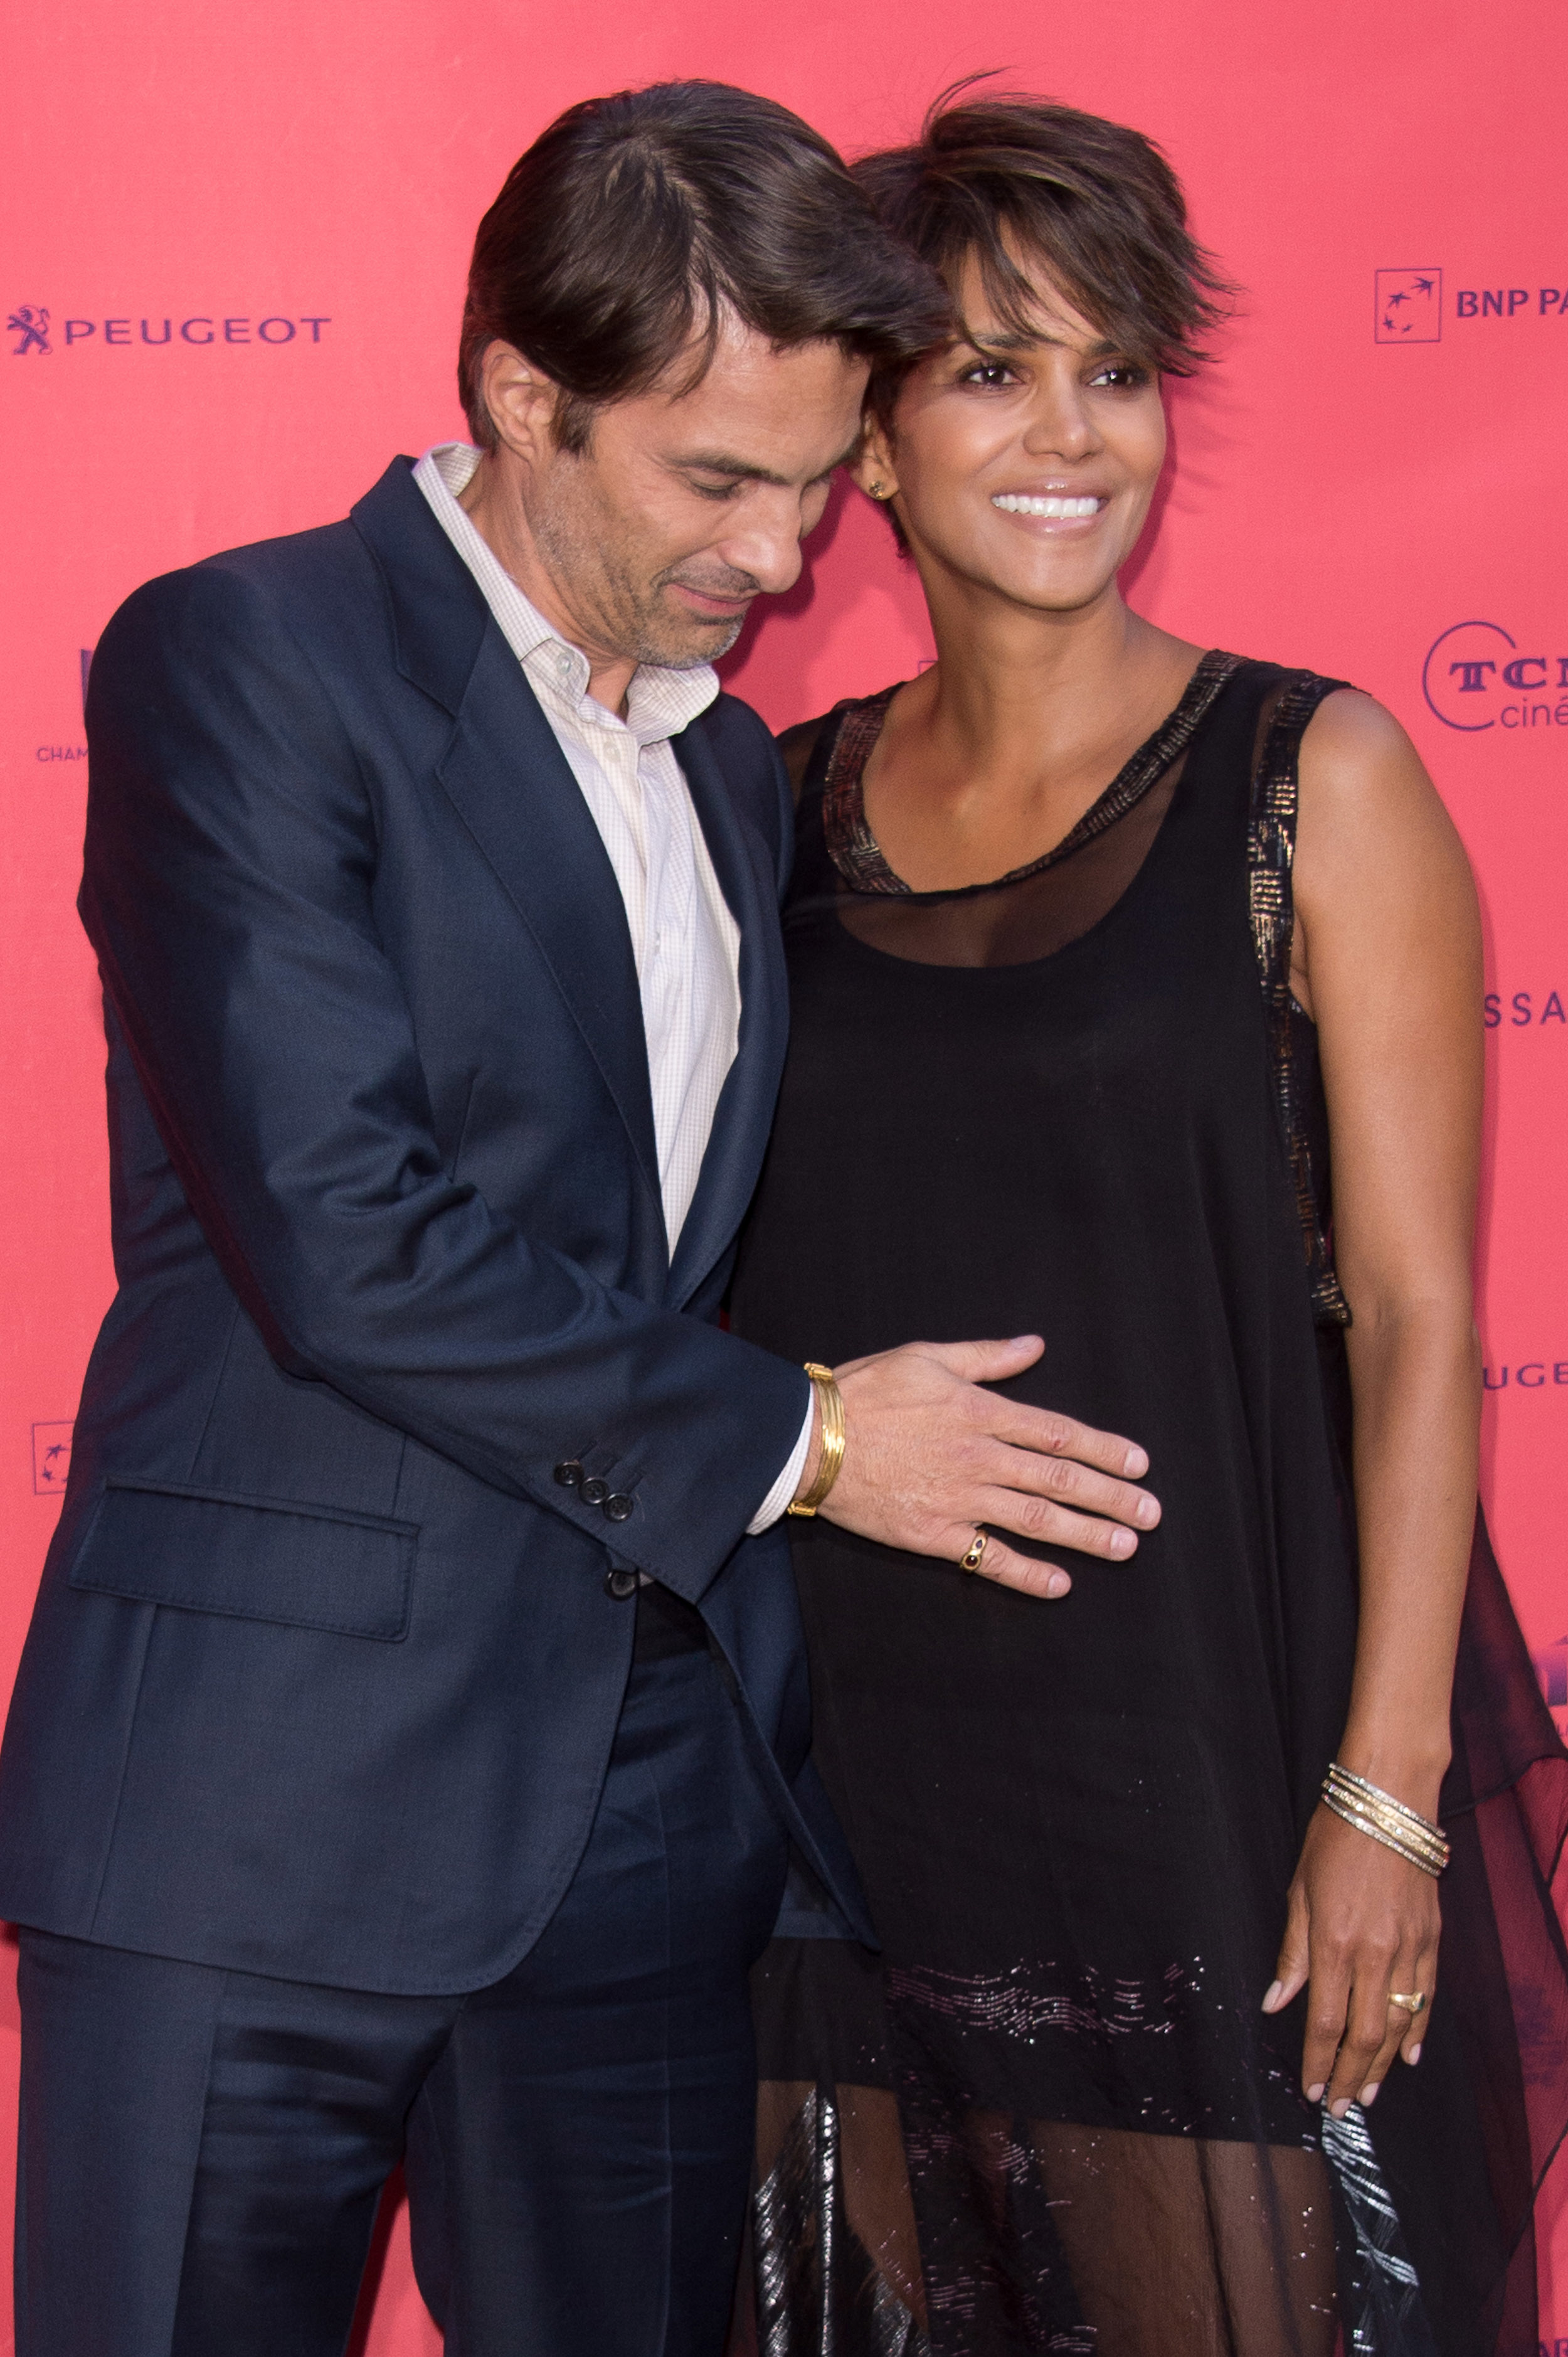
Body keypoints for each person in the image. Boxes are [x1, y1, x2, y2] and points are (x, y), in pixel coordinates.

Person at [0, 83, 1165, 2357]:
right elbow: (345, 1233)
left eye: (823, 483)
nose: (782, 549)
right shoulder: (246, 660)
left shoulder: (734, 772)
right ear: (519, 394)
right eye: (713, 478)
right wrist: (822, 1443)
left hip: (641, 1834)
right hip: (255, 1812)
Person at [726, 88, 1568, 2357]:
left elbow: (1409, 1315)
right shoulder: (759, 808)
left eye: (1117, 368)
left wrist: (1382, 1796)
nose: (1071, 431)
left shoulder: (1318, 780)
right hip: (860, 1795)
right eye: (991, 370)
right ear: (870, 445)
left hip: (1208, 1770)